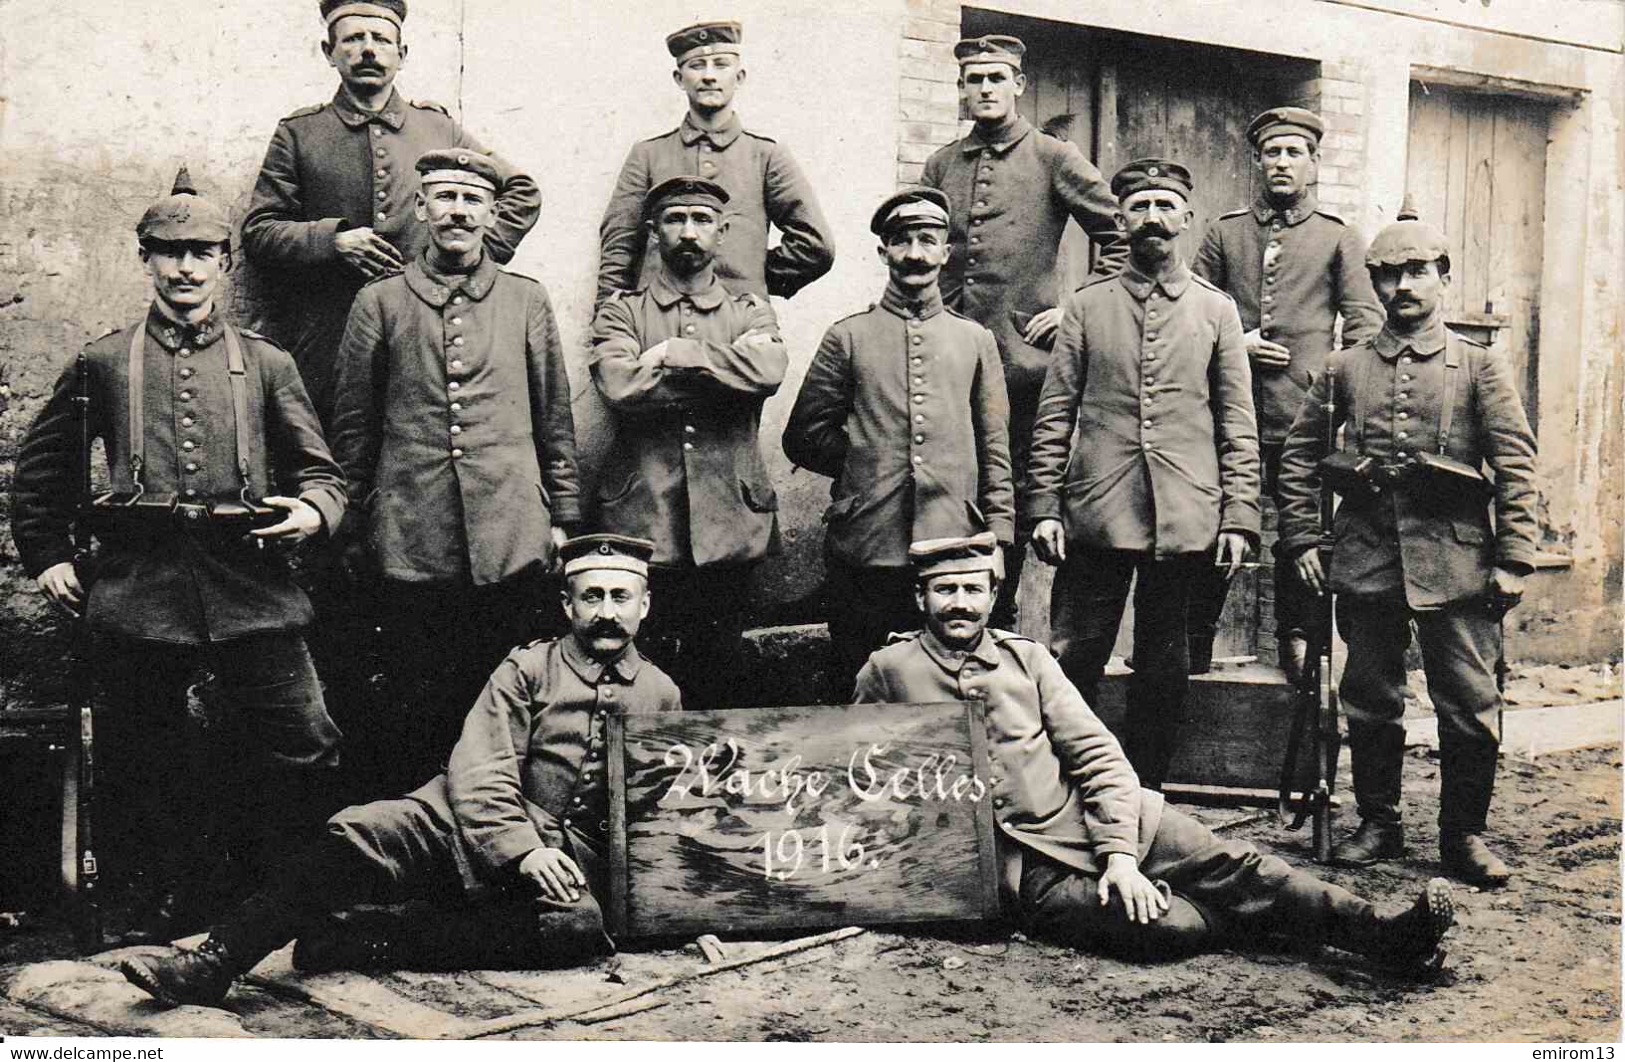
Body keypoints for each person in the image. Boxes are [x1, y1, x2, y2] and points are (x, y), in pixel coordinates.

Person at [852, 533, 1455, 974]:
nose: (959, 603)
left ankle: (1384, 934)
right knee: (1168, 930)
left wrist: (1119, 855)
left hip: (1094, 816)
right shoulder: (887, 671)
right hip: (1021, 868)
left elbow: (1097, 757)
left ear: (992, 595)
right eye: (944, 590)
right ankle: (1267, 924)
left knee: (1239, 867)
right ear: (921, 597)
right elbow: (858, 778)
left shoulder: (1027, 660)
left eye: (972, 590)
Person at [119, 535, 681, 1008]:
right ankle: (213, 963)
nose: (606, 611)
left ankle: (359, 939)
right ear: (568, 605)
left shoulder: (662, 693)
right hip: (461, 817)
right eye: (592, 596)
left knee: (574, 928)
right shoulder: (528, 668)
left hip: (568, 857)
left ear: (645, 605)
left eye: (620, 596)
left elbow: (652, 803)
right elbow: (483, 769)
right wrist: (524, 849)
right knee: (365, 829)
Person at [9, 169, 348, 943]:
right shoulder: (103, 362)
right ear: (145, 259)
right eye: (169, 252)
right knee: (139, 754)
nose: (186, 268)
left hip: (249, 581)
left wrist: (311, 512)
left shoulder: (268, 366)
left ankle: (287, 905)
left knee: (305, 737)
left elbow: (321, 473)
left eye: (202, 253)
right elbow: (42, 471)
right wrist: (49, 556)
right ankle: (149, 906)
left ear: (226, 263)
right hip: (140, 582)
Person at [1275, 206, 1539, 886]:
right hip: (1365, 560)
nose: (1401, 288)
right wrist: (1304, 535)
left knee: (1469, 706)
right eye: (1386, 275)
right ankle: (1378, 822)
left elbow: (1515, 465)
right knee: (1367, 697)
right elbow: (1299, 458)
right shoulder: (1342, 369)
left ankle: (1463, 838)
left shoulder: (1477, 368)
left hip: (1456, 564)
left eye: (1416, 272)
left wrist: (1512, 557)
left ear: (1442, 277)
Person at [328, 149, 581, 794]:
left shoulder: (526, 300)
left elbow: (554, 415)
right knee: (419, 702)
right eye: (445, 199)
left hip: (510, 536)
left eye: (472, 201)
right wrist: (355, 521)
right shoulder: (379, 302)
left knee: (507, 698)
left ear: (493, 214)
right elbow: (354, 426)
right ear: (421, 209)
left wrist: (565, 517)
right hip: (413, 537)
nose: (458, 213)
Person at [1026, 159, 1261, 790]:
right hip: (1096, 512)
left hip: (1184, 515)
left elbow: (1238, 421)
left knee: (1165, 664)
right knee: (1076, 657)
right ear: (1120, 219)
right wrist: (1044, 506)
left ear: (1187, 219)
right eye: (1139, 206)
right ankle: (1071, 789)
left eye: (1165, 205)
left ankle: (1146, 791)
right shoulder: (1085, 307)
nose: (1152, 217)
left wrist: (1239, 515)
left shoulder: (1217, 311)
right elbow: (1055, 415)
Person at [243, 0, 540, 425]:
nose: (368, 50)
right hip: (332, 335)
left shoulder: (438, 129)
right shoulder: (299, 133)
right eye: (354, 39)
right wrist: (334, 241)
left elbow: (521, 191)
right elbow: (259, 232)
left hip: (424, 330)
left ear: (402, 55)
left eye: (381, 39)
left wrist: (459, 260)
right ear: (329, 52)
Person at [920, 34, 1127, 629]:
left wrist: (1077, 306)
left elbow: (1118, 236)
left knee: (1008, 496)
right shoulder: (942, 163)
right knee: (954, 485)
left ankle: (1001, 626)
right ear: (962, 90)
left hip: (1021, 366)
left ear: (1018, 85)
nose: (984, 88)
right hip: (953, 360)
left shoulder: (1052, 156)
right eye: (973, 79)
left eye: (995, 77)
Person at [784, 187, 1013, 693]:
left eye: (928, 240)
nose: (915, 253)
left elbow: (995, 446)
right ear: (883, 251)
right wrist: (866, 462)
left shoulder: (974, 340)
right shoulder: (848, 337)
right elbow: (803, 436)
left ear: (945, 253)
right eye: (902, 240)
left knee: (951, 683)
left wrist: (997, 535)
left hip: (953, 541)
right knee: (860, 674)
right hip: (866, 543)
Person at [1185, 106, 1384, 677]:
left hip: (1305, 421)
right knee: (1217, 525)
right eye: (1272, 152)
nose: (1281, 162)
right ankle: (1195, 641)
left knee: (1304, 534)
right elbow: (1190, 310)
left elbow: (1365, 327)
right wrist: (1237, 343)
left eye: (1294, 152)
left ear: (1314, 164)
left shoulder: (1337, 238)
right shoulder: (1225, 233)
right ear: (1257, 161)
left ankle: (1299, 644)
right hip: (1228, 414)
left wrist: (1337, 394)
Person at [588, 176, 786, 708]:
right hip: (645, 518)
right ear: (654, 233)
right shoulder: (622, 310)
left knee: (720, 670)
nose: (689, 233)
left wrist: (676, 353)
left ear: (722, 232)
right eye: (676, 220)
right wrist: (726, 370)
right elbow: (619, 384)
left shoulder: (749, 310)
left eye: (702, 221)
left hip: (730, 523)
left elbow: (768, 370)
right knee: (641, 674)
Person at [596, 20, 833, 311]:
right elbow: (619, 248)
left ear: (740, 76)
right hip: (656, 320)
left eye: (721, 65)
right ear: (679, 78)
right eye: (697, 66)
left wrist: (751, 278)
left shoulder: (766, 155)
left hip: (738, 324)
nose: (709, 76)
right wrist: (609, 323)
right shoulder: (647, 155)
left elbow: (816, 245)